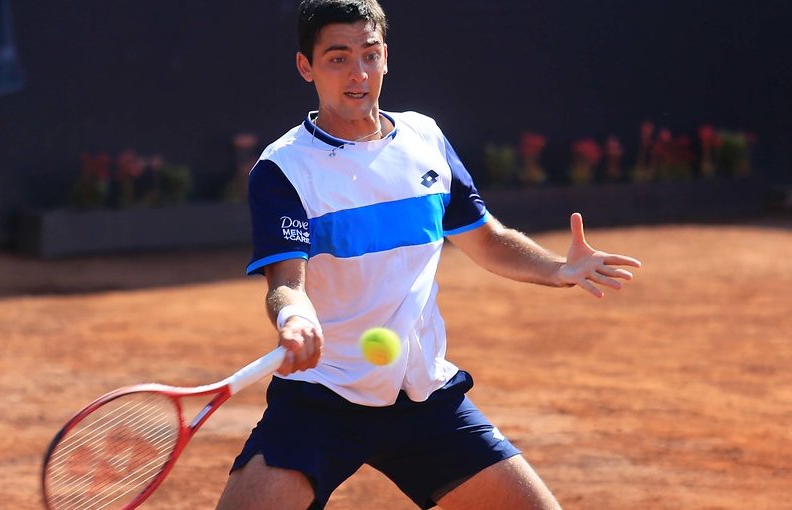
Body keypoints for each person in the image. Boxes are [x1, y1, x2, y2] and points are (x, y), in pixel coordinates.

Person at [217, 1, 642, 508]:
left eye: (370, 55)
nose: (358, 73)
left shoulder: (424, 139)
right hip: (322, 398)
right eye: (337, 58)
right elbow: (287, 281)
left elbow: (486, 238)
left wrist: (558, 268)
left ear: (386, 57)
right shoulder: (283, 168)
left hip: (421, 397)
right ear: (305, 66)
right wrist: (293, 317)